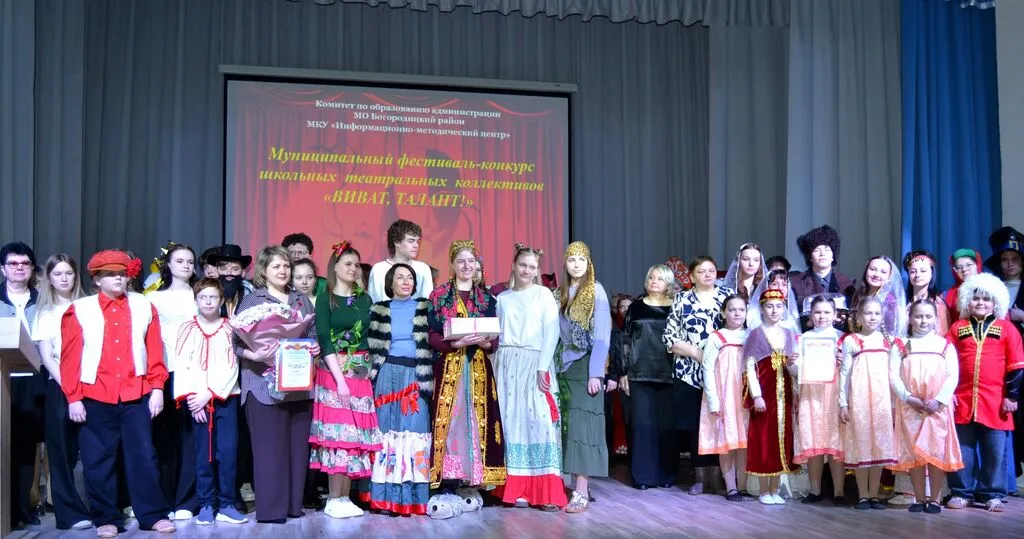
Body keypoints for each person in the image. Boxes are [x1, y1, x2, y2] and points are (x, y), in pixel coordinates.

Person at [60, 250, 176, 536]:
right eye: (110, 274)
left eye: (122, 274)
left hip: (136, 392)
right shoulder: (80, 309)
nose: (118, 279)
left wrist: (157, 388)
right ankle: (106, 518)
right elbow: (70, 358)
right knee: (98, 460)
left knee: (144, 456)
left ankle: (152, 515)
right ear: (97, 279)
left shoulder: (143, 305)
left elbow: (154, 350)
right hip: (95, 393)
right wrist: (73, 397)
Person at [234, 246, 320, 524]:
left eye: (286, 266)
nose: (283, 271)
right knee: (269, 451)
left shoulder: (301, 301)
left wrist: (315, 348)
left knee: (297, 451)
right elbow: (234, 343)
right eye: (276, 266)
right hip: (262, 386)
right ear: (263, 270)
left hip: (299, 386)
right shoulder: (252, 300)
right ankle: (272, 511)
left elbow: (313, 334)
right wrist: (254, 355)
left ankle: (293, 506)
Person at [426, 240, 505, 517]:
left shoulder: (486, 299)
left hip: (479, 368)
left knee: (476, 420)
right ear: (452, 264)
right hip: (450, 366)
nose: (466, 266)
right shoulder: (439, 296)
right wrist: (454, 344)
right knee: (451, 420)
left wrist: (485, 343)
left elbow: (495, 340)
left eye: (471, 261)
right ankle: (447, 482)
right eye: (461, 261)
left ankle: (471, 483)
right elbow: (432, 335)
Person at [311, 241, 380, 519]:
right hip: (333, 372)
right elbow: (324, 338)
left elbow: (370, 336)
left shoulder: (364, 299)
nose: (353, 269)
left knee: (354, 436)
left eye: (356, 264)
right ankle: (333, 498)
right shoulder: (325, 299)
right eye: (348, 264)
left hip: (360, 373)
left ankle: (344, 498)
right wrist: (339, 379)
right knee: (337, 435)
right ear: (335, 267)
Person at [945, 273, 1024, 512]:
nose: (980, 303)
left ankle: (992, 494)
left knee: (994, 451)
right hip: (962, 399)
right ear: (967, 301)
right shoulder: (957, 328)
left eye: (986, 299)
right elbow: (946, 362)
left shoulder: (1007, 328)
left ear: (995, 302)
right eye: (976, 298)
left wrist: (1012, 395)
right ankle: (961, 492)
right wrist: (948, 392)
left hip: (996, 401)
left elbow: (1017, 364)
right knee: (963, 450)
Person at [494, 243, 565, 510]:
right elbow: (496, 336)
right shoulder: (503, 299)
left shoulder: (543, 295)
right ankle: (515, 489)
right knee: (511, 423)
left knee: (539, 421)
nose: (526, 270)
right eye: (522, 265)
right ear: (514, 266)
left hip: (535, 362)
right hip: (507, 364)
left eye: (532, 267)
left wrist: (542, 367)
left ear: (537, 271)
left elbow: (552, 332)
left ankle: (544, 491)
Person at [173, 278, 248, 525]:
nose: (208, 302)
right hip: (197, 402)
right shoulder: (187, 328)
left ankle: (227, 503)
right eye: (203, 297)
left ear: (221, 300)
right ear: (196, 300)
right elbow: (182, 364)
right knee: (203, 454)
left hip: (225, 398)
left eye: (213, 297)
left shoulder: (230, 328)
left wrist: (211, 392)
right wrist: (193, 397)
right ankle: (206, 503)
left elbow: (232, 365)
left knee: (227, 452)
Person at [365, 263, 434, 515]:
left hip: (417, 375)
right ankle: (384, 497)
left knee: (414, 430)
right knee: (387, 430)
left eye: (410, 278)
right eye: (400, 277)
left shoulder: (426, 307)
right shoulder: (379, 310)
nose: (406, 282)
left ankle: (412, 497)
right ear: (390, 283)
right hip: (387, 375)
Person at [663, 256, 734, 494]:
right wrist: (697, 353)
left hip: (722, 371)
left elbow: (738, 326)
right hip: (689, 371)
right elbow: (669, 337)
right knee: (696, 424)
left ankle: (719, 474)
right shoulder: (681, 299)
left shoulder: (727, 295)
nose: (708, 275)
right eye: (702, 271)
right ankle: (700, 475)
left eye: (711, 270)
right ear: (692, 276)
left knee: (720, 421)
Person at [31, 254, 91, 530]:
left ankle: (99, 506)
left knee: (94, 449)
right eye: (58, 274)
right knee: (62, 452)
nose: (64, 279)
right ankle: (69, 513)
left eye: (69, 273)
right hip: (61, 385)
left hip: (92, 383)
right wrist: (69, 387)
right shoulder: (45, 312)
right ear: (49, 278)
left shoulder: (89, 306)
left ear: (76, 276)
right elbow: (47, 357)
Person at [889, 299, 963, 515]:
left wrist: (938, 400)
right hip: (911, 407)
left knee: (935, 451)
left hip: (936, 409)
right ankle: (920, 498)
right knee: (915, 453)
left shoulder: (944, 345)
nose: (923, 321)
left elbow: (952, 376)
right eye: (918, 316)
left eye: (928, 316)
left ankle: (935, 499)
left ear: (935, 319)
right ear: (910, 319)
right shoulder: (901, 345)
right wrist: (908, 397)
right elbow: (893, 376)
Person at [556, 242, 612, 513]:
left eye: (581, 259)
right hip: (564, 367)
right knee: (569, 427)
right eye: (571, 259)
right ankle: (573, 485)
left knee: (584, 427)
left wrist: (595, 373)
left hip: (586, 365)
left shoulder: (595, 290)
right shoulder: (560, 293)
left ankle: (581, 490)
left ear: (589, 263)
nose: (576, 264)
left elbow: (602, 335)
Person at [145, 243, 199, 521]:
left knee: (191, 438)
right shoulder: (155, 298)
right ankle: (164, 498)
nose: (186, 265)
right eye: (179, 261)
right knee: (164, 438)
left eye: (190, 261)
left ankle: (187, 500)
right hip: (166, 372)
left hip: (195, 372)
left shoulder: (201, 294)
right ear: (168, 265)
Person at [2, 241, 47, 528]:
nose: (19, 268)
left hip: (32, 379)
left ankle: (22, 508)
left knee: (26, 446)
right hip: (2, 379)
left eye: (25, 263)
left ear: (32, 268)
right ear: (3, 269)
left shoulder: (43, 300)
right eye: (13, 263)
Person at [620, 265, 676, 490]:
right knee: (642, 426)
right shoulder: (636, 307)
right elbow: (625, 340)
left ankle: (666, 474)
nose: (654, 281)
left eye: (659, 278)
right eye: (651, 277)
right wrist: (623, 371)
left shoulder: (676, 306)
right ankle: (643, 476)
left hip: (670, 374)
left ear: (668, 283)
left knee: (666, 426)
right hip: (640, 373)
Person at [839, 296, 896, 510]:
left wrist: (894, 404)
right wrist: (843, 403)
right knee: (861, 444)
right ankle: (863, 494)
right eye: (868, 313)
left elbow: (894, 374)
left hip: (882, 401)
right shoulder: (852, 341)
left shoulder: (888, 341)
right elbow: (845, 373)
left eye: (877, 313)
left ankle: (874, 494)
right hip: (859, 399)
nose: (872, 317)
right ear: (859, 317)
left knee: (879, 445)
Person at [744, 289, 799, 505]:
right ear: (762, 309)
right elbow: (750, 367)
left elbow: (793, 370)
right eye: (769, 306)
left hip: (784, 396)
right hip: (765, 395)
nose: (774, 310)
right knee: (763, 439)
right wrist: (756, 396)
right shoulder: (756, 334)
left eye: (778, 306)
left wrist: (792, 364)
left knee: (781, 439)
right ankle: (763, 490)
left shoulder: (788, 334)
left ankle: (775, 488)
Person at [793, 295, 846, 505]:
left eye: (826, 312)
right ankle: (814, 490)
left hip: (834, 395)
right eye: (817, 312)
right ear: (810, 315)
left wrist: (843, 361)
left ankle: (839, 492)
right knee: (813, 441)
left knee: (835, 443)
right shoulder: (803, 339)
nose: (822, 316)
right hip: (811, 395)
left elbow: (850, 371)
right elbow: (796, 371)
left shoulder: (842, 338)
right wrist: (791, 363)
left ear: (835, 314)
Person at [983, 226, 1024, 484]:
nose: (1010, 264)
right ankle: (1009, 477)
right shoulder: (992, 288)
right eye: (1005, 260)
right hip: (1000, 362)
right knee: (1009, 416)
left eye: (1015, 259)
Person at [698, 295, 749, 502]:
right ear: (723, 313)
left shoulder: (751, 335)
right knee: (727, 441)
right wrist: (713, 399)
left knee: (744, 442)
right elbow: (708, 368)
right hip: (725, 395)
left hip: (745, 395)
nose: (737, 313)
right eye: (732, 309)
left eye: (741, 309)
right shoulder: (717, 337)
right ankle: (731, 487)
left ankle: (743, 485)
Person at [790, 225, 856, 330]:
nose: (822, 254)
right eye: (817, 250)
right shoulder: (796, 283)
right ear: (810, 257)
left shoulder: (846, 283)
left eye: (827, 250)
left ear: (833, 256)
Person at [367, 219, 434, 303]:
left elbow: (428, 302)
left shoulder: (423, 269)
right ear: (397, 242)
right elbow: (374, 301)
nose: (416, 246)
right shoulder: (379, 269)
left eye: (417, 241)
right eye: (411, 241)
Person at [848, 256, 907, 339]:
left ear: (890, 276)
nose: (876, 274)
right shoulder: (859, 295)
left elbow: (891, 333)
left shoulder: (890, 302)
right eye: (872, 269)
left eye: (883, 272)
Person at [903, 250, 949, 337]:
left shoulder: (938, 304)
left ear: (932, 273)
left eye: (923, 271)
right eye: (913, 271)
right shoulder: (903, 301)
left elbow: (943, 335)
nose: (917, 275)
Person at [208, 244, 253, 317]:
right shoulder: (207, 295)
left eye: (235, 269)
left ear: (243, 273)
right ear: (216, 272)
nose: (228, 273)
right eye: (223, 269)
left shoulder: (252, 297)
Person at [942, 248, 982, 325]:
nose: (964, 269)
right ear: (954, 270)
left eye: (969, 265)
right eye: (959, 267)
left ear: (977, 265)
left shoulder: (990, 288)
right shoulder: (946, 295)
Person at [282, 232, 328, 296]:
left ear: (310, 256)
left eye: (302, 252)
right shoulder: (278, 283)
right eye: (291, 252)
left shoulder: (322, 284)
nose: (296, 256)